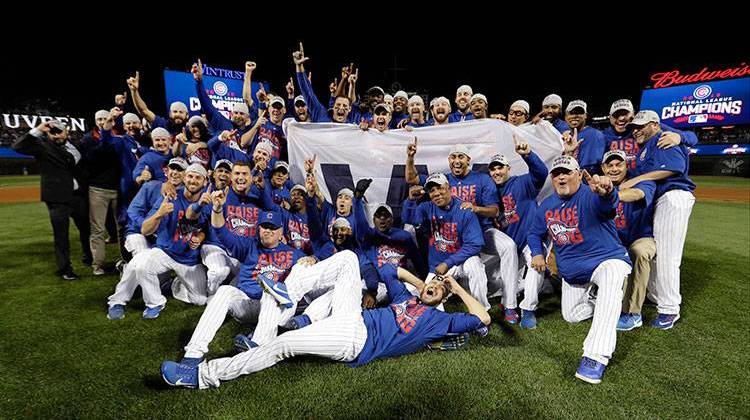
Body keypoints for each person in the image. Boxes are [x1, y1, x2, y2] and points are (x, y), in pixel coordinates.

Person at [160, 254, 490, 389]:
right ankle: (290, 291)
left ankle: (202, 376)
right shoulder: (407, 298)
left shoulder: (438, 322)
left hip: (356, 341)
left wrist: (455, 287)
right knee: (348, 259)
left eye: (439, 290)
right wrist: (423, 284)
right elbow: (388, 270)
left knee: (284, 345)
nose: (435, 287)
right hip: (353, 316)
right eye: (434, 284)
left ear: (444, 300)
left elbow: (482, 317)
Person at [527, 156, 632, 384]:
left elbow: (608, 205)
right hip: (574, 273)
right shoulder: (547, 205)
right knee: (572, 316)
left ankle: (595, 357)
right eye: (556, 173)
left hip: (606, 260)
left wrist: (607, 193)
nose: (561, 177)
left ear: (578, 174)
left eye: (567, 172)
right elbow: (534, 233)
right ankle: (599, 298)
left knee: (613, 276)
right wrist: (537, 252)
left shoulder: (591, 194)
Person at [619, 110, 695, 330]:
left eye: (641, 126)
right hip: (663, 200)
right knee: (659, 253)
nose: (636, 130)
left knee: (668, 257)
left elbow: (674, 168)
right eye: (634, 127)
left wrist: (637, 180)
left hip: (673, 196)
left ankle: (669, 309)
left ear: (655, 124)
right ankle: (659, 296)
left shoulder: (664, 138)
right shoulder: (648, 145)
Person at [106, 164, 212, 320]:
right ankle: (147, 302)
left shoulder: (208, 202)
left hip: (189, 259)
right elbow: (145, 230)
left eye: (198, 177)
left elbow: (204, 228)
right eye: (190, 176)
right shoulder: (170, 197)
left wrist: (200, 237)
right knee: (139, 264)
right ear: (184, 178)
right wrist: (159, 214)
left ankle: (175, 284)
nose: (193, 180)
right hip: (165, 251)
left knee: (200, 300)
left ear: (204, 182)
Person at [12, 121, 92, 279]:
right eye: (52, 132)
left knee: (86, 229)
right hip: (57, 198)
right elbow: (17, 147)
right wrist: (38, 130)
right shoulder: (41, 146)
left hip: (78, 196)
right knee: (61, 235)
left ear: (66, 131)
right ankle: (65, 269)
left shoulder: (75, 145)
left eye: (60, 131)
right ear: (47, 133)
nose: (56, 134)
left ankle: (88, 257)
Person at [402, 173, 490, 311]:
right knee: (427, 305)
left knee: (475, 266)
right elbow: (409, 220)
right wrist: (410, 201)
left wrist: (448, 263)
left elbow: (475, 245)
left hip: (461, 261)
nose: (436, 193)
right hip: (438, 266)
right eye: (432, 190)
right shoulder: (426, 207)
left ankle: (482, 311)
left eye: (440, 188)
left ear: (449, 187)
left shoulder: (464, 209)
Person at [487, 134, 548, 329]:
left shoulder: (522, 183)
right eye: (493, 169)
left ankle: (528, 309)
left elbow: (541, 173)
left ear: (508, 169)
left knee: (537, 264)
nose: (497, 172)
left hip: (531, 240)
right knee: (494, 283)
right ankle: (535, 286)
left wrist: (528, 155)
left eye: (500, 167)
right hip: (510, 247)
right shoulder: (488, 191)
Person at [599, 150, 656, 331]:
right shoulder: (598, 185)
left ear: (626, 166)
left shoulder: (642, 180)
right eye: (610, 165)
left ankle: (633, 313)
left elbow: (638, 194)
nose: (614, 169)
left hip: (641, 237)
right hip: (613, 242)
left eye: (619, 164)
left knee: (638, 253)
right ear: (603, 168)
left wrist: (610, 195)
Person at [82, 109, 123, 275]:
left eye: (104, 119)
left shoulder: (118, 138)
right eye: (99, 119)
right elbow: (93, 158)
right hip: (97, 189)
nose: (101, 122)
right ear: (95, 120)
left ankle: (125, 261)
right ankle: (97, 265)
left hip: (118, 189)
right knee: (98, 230)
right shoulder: (88, 139)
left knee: (122, 228)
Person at [127, 71, 187, 135]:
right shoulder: (162, 124)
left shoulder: (192, 128)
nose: (177, 114)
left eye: (181, 112)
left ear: (187, 115)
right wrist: (134, 91)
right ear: (170, 114)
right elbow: (144, 111)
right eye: (175, 111)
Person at [561, 100, 606, 175]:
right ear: (565, 117)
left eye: (579, 113)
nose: (575, 116)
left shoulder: (595, 135)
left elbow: (592, 168)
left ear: (585, 115)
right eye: (571, 113)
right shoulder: (563, 135)